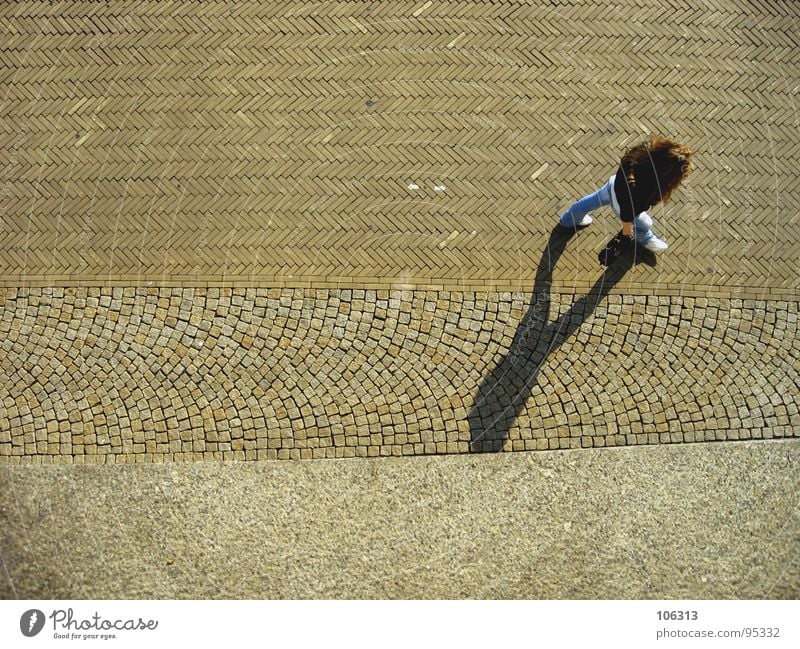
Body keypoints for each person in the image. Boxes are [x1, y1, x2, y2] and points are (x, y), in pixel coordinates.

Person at [558, 136, 693, 252]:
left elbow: (630, 161)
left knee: (591, 201)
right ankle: (645, 238)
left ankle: (568, 220)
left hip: (613, 185)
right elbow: (628, 212)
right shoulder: (649, 190)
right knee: (645, 224)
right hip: (621, 204)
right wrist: (626, 229)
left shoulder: (641, 153)